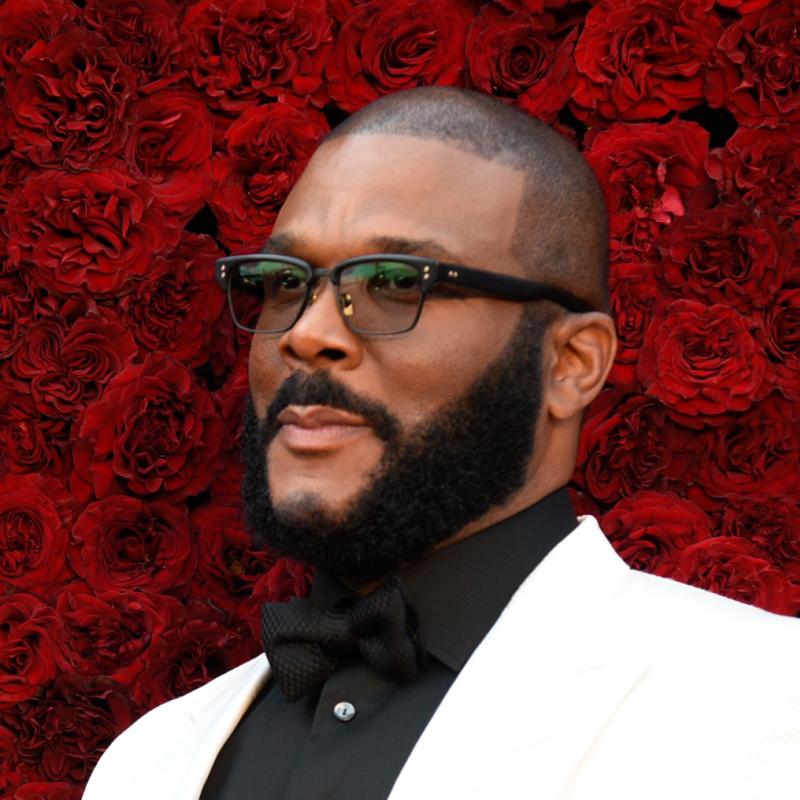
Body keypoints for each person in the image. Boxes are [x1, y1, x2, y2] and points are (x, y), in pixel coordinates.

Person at [84, 87, 800, 800]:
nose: (304, 334)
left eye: (396, 281)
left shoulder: (765, 705)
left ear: (571, 363)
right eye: (282, 282)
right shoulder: (148, 762)